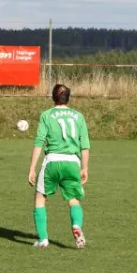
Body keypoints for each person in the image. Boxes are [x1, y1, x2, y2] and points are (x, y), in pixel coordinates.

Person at [28, 84, 90, 248]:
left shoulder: (47, 115)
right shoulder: (79, 116)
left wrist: (32, 168)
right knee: (73, 199)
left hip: (53, 161)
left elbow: (39, 141)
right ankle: (76, 225)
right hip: (72, 162)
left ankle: (43, 239)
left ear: (53, 97)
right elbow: (84, 145)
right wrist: (85, 167)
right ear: (68, 98)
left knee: (40, 198)